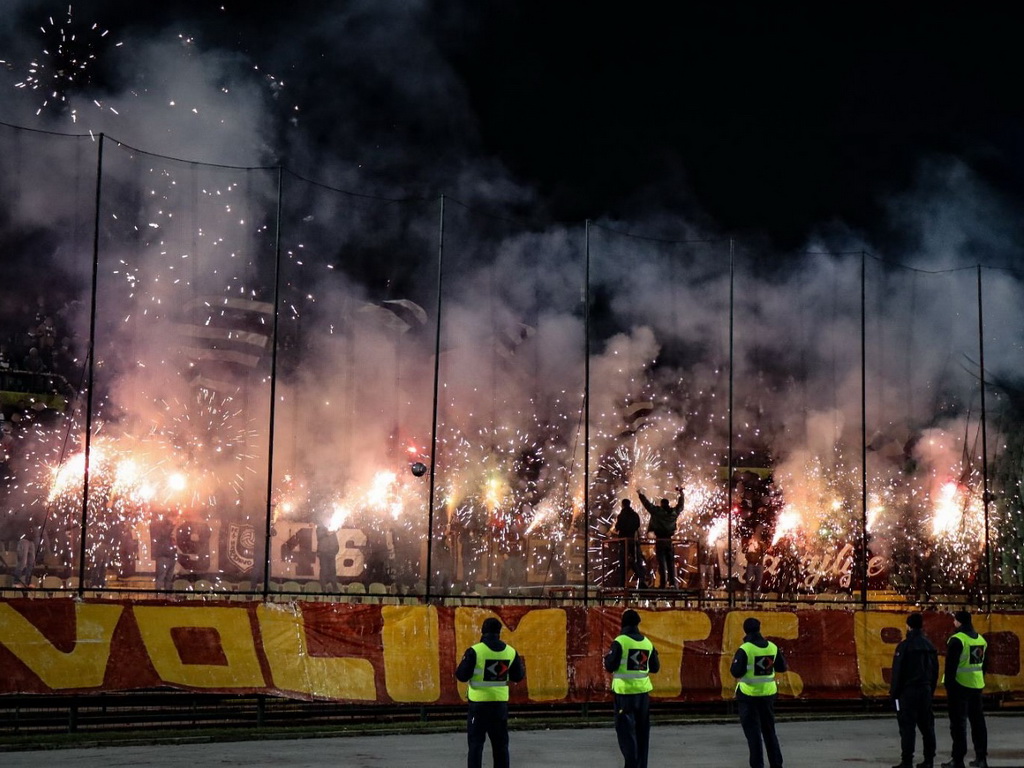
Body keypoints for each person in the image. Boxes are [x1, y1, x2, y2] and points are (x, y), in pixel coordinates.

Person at [455, 617, 525, 768]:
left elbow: (461, 675)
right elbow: (518, 676)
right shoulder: (511, 652)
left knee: (476, 745)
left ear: (483, 631)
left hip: (478, 706)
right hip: (499, 705)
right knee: (500, 745)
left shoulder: (475, 651)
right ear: (499, 632)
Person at [604, 608, 660, 768]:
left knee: (626, 733)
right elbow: (655, 667)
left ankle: (631, 765)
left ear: (623, 623)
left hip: (625, 695)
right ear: (637, 623)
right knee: (642, 733)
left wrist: (607, 658)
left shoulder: (620, 642)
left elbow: (610, 665)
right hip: (643, 695)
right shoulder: (647, 643)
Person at [730, 616, 787, 768]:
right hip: (768, 695)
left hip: (748, 696)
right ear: (759, 629)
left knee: (753, 735)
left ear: (745, 630)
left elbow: (735, 672)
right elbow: (782, 667)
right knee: (770, 732)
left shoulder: (745, 649)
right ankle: (776, 764)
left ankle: (757, 765)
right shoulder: (772, 647)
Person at [890, 612, 939, 768]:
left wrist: (894, 694)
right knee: (927, 727)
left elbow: (898, 672)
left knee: (907, 727)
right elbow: (935, 671)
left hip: (908, 692)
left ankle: (907, 760)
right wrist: (930, 690)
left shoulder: (904, 646)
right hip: (925, 690)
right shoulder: (929, 646)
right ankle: (929, 759)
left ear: (908, 626)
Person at [941, 610, 988, 768]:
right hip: (976, 685)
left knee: (958, 724)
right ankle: (981, 758)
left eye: (955, 620)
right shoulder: (980, 639)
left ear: (959, 622)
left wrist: (948, 685)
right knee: (978, 723)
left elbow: (950, 667)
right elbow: (982, 665)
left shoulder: (957, 640)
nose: (953, 623)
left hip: (959, 687)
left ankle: (958, 759)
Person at [638, 487, 684, 589]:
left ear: (661, 504)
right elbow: (681, 506)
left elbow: (647, 504)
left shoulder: (657, 512)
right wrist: (681, 493)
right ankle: (672, 583)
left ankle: (663, 583)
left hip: (660, 539)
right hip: (669, 540)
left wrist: (640, 494)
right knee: (671, 563)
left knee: (662, 563)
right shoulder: (674, 513)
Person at [613, 499, 647, 589]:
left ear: (623, 505)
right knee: (635, 561)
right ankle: (641, 579)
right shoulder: (635, 515)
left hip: (624, 541)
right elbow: (637, 525)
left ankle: (622, 583)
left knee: (623, 562)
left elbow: (617, 527)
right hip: (633, 540)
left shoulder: (621, 515)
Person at [150, 509, 179, 592]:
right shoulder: (162, 525)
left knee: (169, 578)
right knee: (161, 577)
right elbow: (164, 534)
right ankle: (158, 596)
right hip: (163, 556)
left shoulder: (171, 526)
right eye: (174, 517)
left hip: (171, 556)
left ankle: (167, 595)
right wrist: (171, 525)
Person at [315, 523, 340, 592]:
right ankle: (323, 588)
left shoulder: (332, 527)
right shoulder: (320, 526)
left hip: (331, 553)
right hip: (324, 553)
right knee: (324, 570)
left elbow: (334, 540)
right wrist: (326, 532)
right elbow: (319, 536)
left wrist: (336, 549)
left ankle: (334, 587)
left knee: (333, 570)